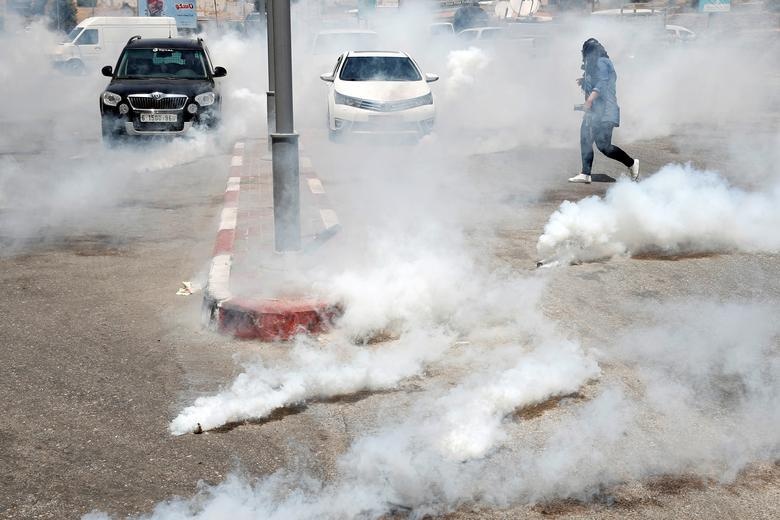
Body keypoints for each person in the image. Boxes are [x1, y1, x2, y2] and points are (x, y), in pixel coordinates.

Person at [569, 38, 639, 184]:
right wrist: (584, 84)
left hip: (606, 111)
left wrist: (589, 101)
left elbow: (602, 83)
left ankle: (632, 163)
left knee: (604, 147)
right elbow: (594, 83)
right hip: (595, 112)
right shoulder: (593, 65)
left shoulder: (602, 62)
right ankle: (585, 173)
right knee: (585, 138)